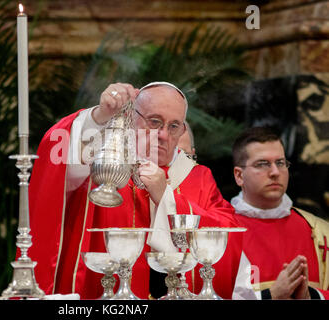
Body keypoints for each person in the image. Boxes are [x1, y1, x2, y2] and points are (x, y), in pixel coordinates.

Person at [26, 81, 254, 299]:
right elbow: (59, 160)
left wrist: (166, 196)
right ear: (132, 118)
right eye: (154, 121)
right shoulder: (106, 163)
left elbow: (228, 233)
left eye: (174, 126)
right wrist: (100, 116)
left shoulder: (198, 177)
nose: (164, 135)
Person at [231, 126, 329, 299]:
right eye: (263, 164)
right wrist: (271, 295)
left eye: (280, 163)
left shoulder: (320, 232)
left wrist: (310, 296)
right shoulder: (222, 231)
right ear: (239, 176)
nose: (275, 172)